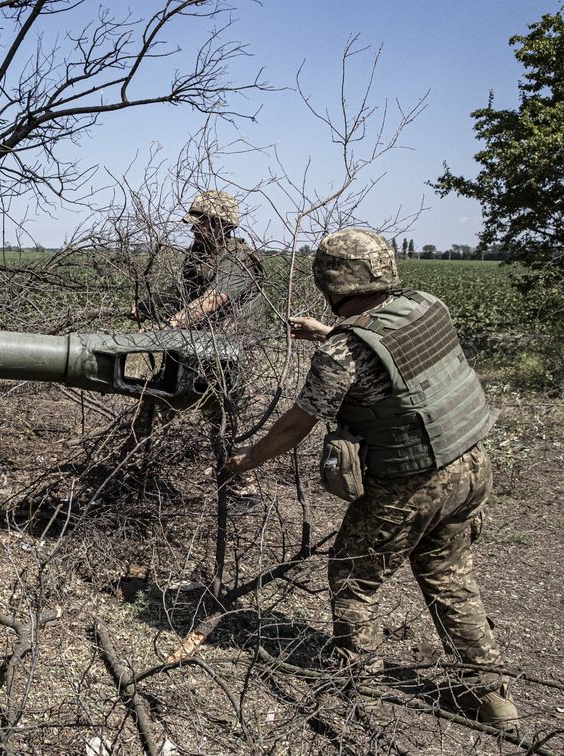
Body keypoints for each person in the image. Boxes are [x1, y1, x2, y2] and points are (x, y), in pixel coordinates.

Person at [225, 228, 517, 727]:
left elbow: (298, 424)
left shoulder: (343, 352)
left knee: (354, 577)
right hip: (472, 464)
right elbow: (395, 355)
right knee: (450, 577)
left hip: (411, 484)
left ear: (332, 281)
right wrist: (329, 333)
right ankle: (493, 697)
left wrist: (246, 460)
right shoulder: (427, 305)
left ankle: (359, 685)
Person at [125, 190, 265, 497]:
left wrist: (170, 326)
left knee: (227, 420)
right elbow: (181, 293)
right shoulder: (199, 254)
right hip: (195, 347)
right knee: (156, 400)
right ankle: (134, 469)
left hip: (229, 354)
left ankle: (241, 491)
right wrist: (147, 307)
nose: (192, 228)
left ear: (222, 225)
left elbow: (213, 300)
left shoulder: (237, 259)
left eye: (200, 223)